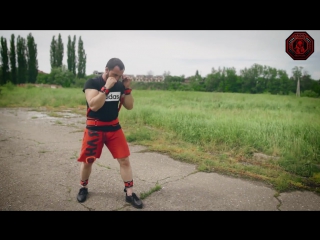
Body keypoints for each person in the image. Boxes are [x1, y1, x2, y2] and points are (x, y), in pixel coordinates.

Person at [76, 57, 143, 209]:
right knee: (88, 161)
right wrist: (106, 87)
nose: (117, 78)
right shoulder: (92, 83)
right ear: (106, 70)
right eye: (114, 74)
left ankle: (130, 193)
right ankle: (83, 187)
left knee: (124, 160)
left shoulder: (119, 85)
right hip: (95, 128)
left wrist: (126, 88)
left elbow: (129, 106)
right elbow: (94, 106)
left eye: (120, 76)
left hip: (114, 128)